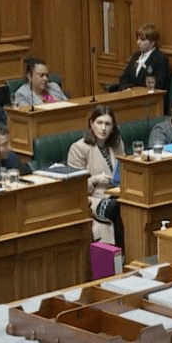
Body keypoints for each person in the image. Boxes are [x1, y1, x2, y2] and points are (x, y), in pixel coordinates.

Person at [67, 105, 125, 246]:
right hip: (94, 198)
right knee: (116, 207)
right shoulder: (79, 148)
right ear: (91, 124)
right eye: (99, 123)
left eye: (108, 124)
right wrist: (94, 180)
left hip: (118, 192)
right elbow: (74, 188)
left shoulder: (117, 144)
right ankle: (119, 255)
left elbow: (125, 170)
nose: (103, 128)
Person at [117, 24, 171, 91]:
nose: (138, 42)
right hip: (130, 94)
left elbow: (159, 84)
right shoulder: (135, 56)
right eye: (138, 39)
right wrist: (126, 87)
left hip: (147, 97)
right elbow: (124, 76)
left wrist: (136, 90)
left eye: (142, 40)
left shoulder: (160, 59)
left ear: (153, 42)